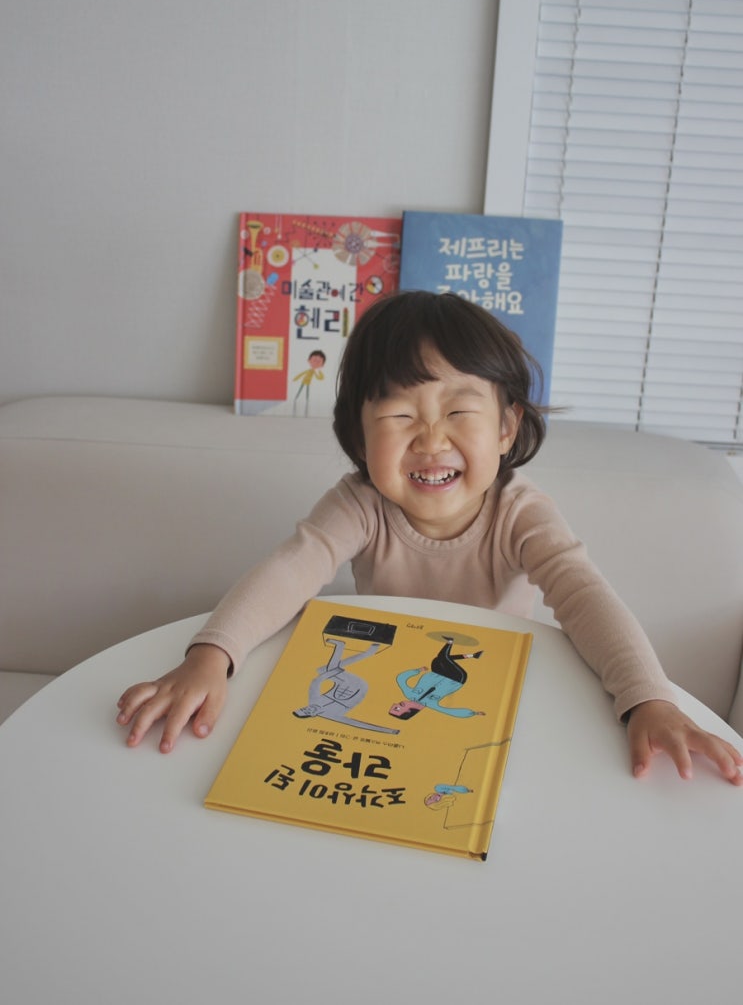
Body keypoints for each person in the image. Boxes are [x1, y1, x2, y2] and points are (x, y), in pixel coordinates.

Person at [117, 291, 743, 785]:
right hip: (388, 694)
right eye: (400, 415)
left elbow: (584, 597)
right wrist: (211, 657)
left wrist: (648, 700)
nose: (431, 439)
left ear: (506, 428)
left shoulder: (520, 513)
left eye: (459, 412)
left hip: (494, 696)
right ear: (360, 436)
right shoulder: (360, 504)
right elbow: (291, 569)